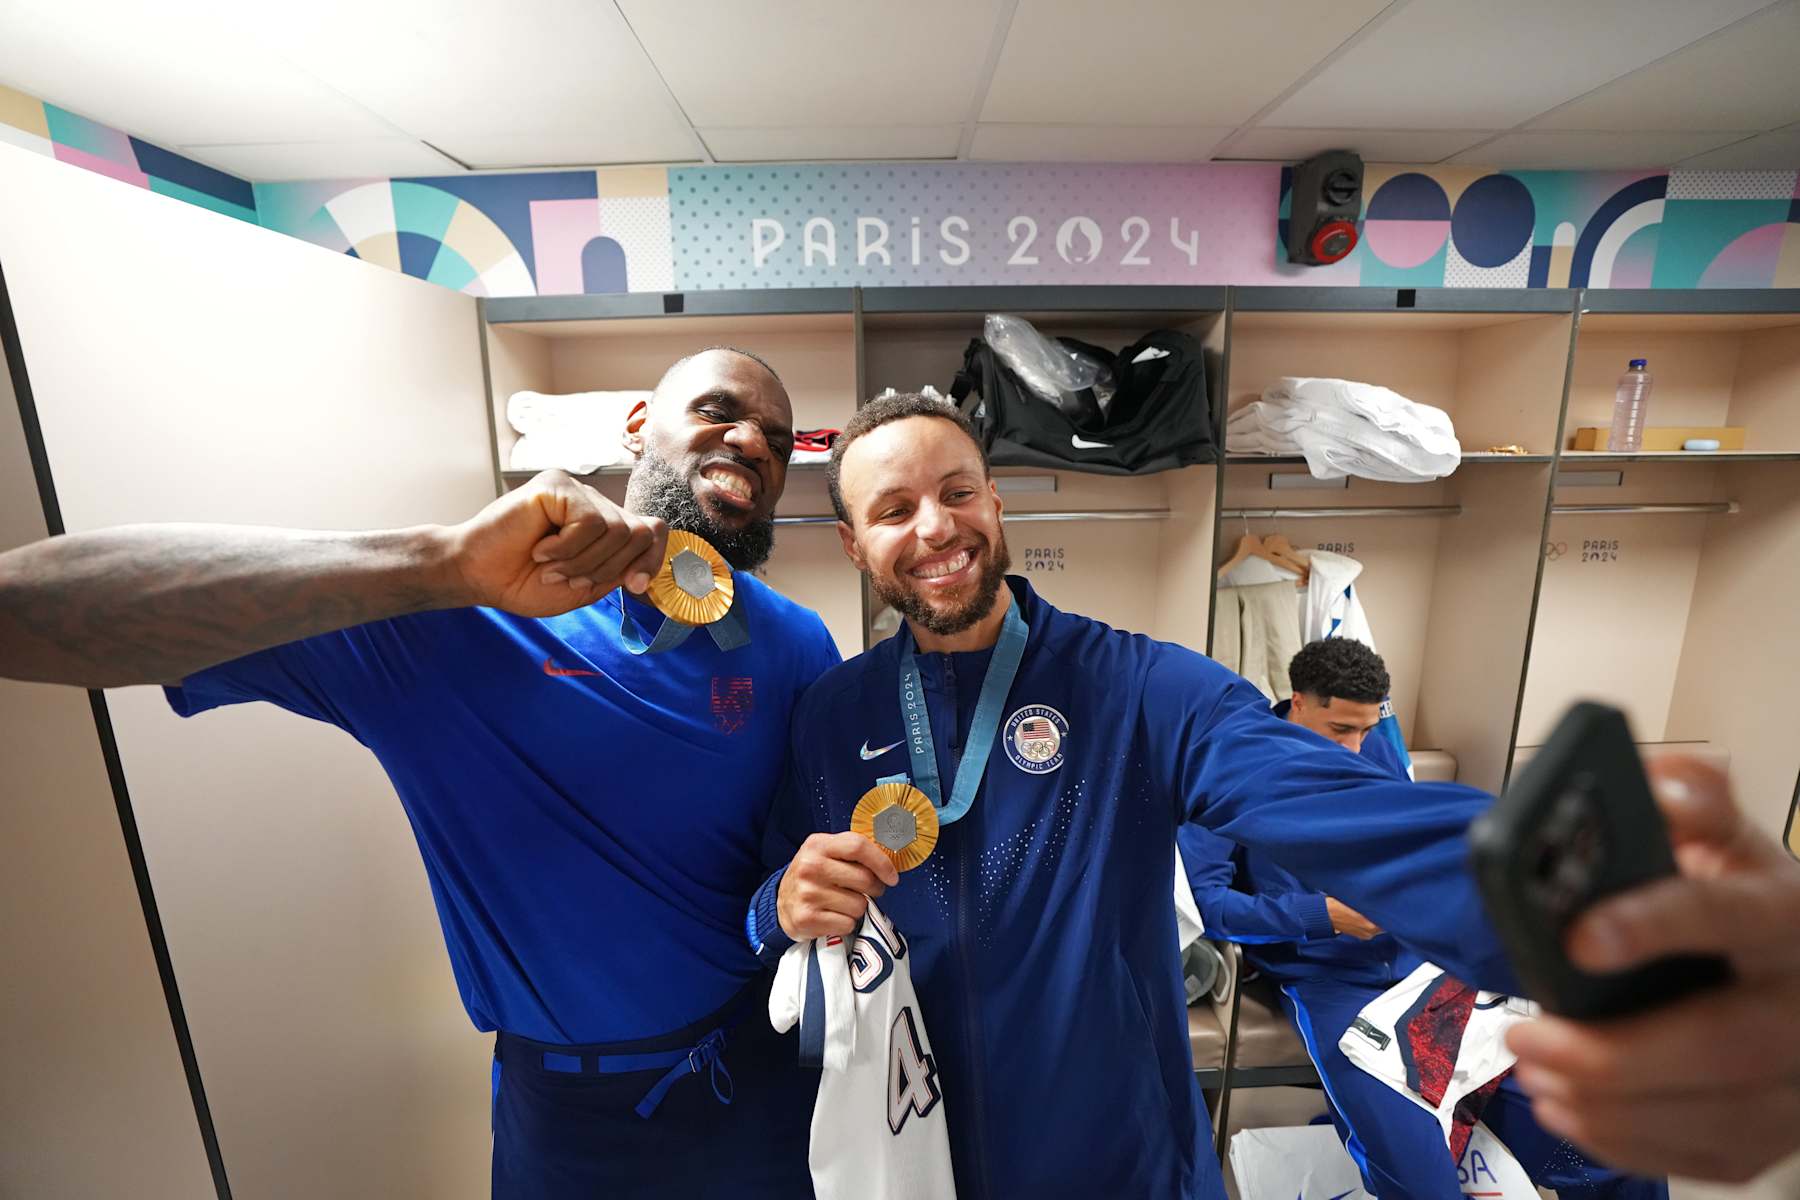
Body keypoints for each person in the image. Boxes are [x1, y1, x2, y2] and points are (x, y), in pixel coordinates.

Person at [0, 347, 838, 1197]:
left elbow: (801, 870)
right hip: (567, 1127)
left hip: (756, 1087)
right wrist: (435, 565)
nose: (752, 443)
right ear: (635, 428)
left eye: (777, 438)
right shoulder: (459, 618)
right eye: (718, 410)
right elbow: (23, 612)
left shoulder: (796, 644)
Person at [752, 392, 1520, 1200]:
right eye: (895, 509)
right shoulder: (833, 715)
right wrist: (780, 906)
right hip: (917, 1153)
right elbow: (768, 905)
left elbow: (1322, 798)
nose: (937, 527)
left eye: (957, 492)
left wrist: (1550, 872)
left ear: (995, 500)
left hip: (1119, 1155)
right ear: (852, 544)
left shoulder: (1134, 686)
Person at [1180, 638, 1666, 1198]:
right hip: (1333, 986)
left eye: (1366, 729)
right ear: (1298, 702)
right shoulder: (1231, 774)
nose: (1356, 748)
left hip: (1434, 967)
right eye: (1341, 729)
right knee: (1420, 1183)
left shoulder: (1377, 751)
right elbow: (1210, 907)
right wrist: (1325, 916)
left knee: (1621, 1144)